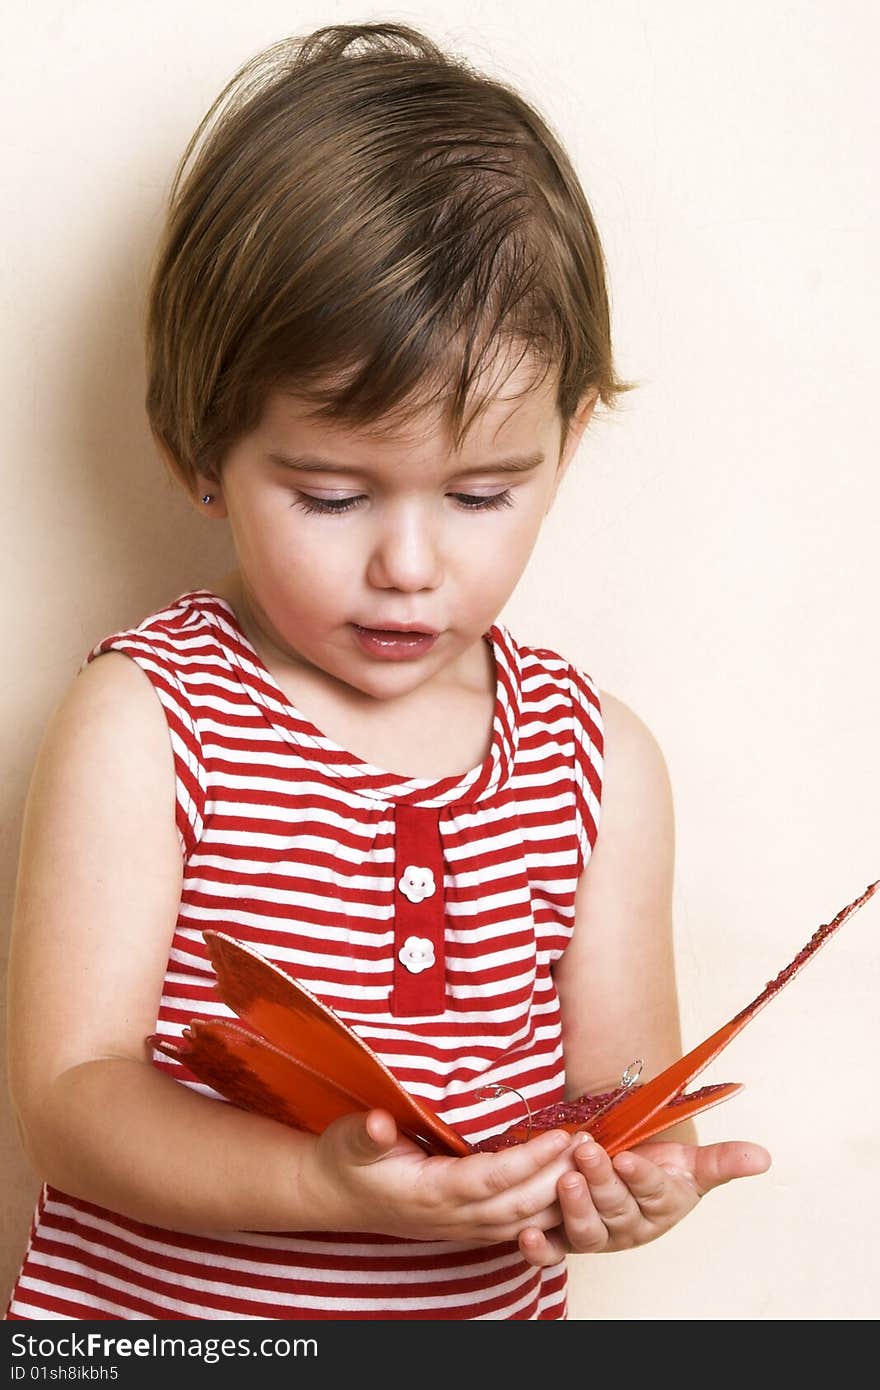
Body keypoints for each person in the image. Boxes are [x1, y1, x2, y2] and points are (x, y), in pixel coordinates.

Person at [5, 20, 770, 1321]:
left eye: (481, 493)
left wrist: (631, 1185)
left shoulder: (601, 769)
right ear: (200, 450)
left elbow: (616, 1099)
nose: (408, 563)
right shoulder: (147, 722)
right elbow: (71, 1100)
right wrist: (321, 1182)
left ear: (567, 441)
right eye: (331, 493)